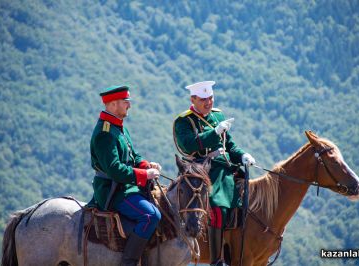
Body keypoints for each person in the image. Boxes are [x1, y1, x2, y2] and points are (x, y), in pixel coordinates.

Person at [173, 81, 255, 266]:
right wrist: (214, 133)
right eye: (203, 99)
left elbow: (229, 145)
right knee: (216, 207)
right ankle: (216, 260)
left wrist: (242, 155)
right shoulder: (184, 121)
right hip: (203, 169)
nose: (208, 102)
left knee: (251, 198)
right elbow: (189, 144)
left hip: (227, 166)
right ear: (193, 99)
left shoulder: (218, 115)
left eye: (210, 98)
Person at [90, 85, 162, 266]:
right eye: (126, 102)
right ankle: (129, 263)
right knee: (151, 216)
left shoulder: (118, 127)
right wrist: (145, 175)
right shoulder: (105, 133)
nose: (129, 105)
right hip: (112, 190)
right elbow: (115, 169)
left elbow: (133, 155)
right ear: (113, 104)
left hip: (126, 186)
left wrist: (147, 165)